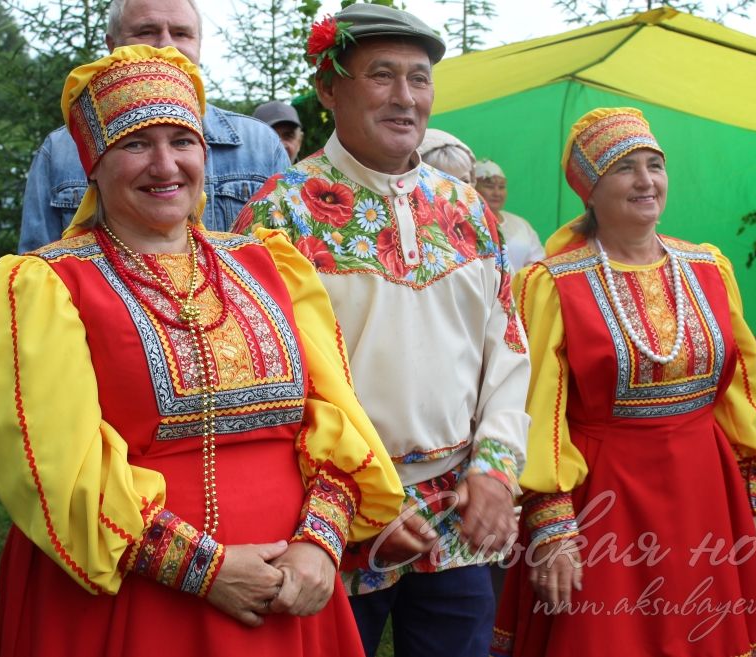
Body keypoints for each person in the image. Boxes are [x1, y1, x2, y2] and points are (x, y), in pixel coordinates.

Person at [0, 45, 402, 657]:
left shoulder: (267, 263)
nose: (165, 163)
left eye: (183, 140)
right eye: (136, 144)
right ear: (94, 163)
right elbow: (52, 464)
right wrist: (201, 568)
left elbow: (332, 414)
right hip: (137, 599)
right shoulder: (46, 285)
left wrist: (319, 542)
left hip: (291, 586)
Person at [234, 5, 531, 656]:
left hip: (456, 511)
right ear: (327, 88)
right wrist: (350, 499)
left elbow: (507, 348)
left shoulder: (468, 212)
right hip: (329, 516)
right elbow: (264, 378)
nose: (405, 97)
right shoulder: (279, 212)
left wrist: (495, 473)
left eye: (419, 79)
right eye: (382, 76)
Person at [490, 107, 756, 657]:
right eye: (625, 168)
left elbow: (741, 392)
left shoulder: (710, 268)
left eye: (655, 165)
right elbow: (537, 410)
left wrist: (750, 502)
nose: (646, 181)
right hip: (605, 499)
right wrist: (552, 527)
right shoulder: (551, 284)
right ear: (590, 190)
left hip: (706, 489)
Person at [17, 0, 290, 252]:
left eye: (182, 33)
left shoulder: (260, 145)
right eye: (146, 31)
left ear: (199, 45)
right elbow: (39, 266)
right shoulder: (61, 152)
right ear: (112, 45)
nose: (166, 46)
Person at [475, 159, 544, 271]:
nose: (497, 193)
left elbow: (538, 262)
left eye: (501, 187)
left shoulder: (521, 224)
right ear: (474, 188)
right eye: (490, 186)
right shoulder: (466, 225)